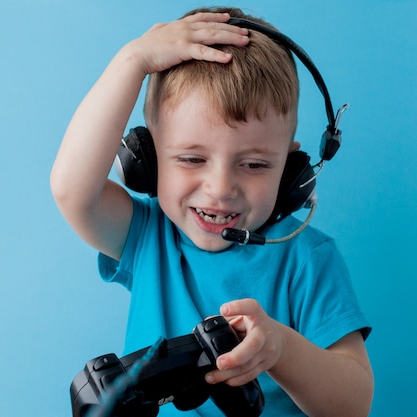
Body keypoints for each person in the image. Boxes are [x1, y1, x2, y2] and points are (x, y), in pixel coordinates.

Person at [51, 6, 373, 417]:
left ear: (292, 172)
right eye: (190, 159)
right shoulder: (146, 234)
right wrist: (133, 60)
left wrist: (281, 347)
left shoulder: (308, 259)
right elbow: (70, 190)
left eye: (255, 165)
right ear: (147, 160)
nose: (220, 189)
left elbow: (354, 406)